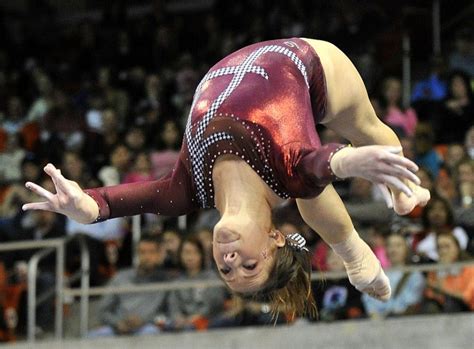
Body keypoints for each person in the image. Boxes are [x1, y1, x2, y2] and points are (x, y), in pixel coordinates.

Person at [22, 38, 430, 317]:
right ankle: (363, 243)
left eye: (226, 271)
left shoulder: (186, 190)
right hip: (311, 65)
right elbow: (315, 162)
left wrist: (83, 207)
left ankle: (357, 253)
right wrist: (348, 162)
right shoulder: (291, 170)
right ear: (275, 239)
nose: (231, 261)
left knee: (309, 188)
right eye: (249, 266)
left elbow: (114, 201)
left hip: (237, 60)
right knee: (367, 135)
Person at [87, 235, 171, 338]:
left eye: (151, 252)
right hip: (118, 327)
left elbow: (170, 315)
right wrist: (118, 323)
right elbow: (104, 311)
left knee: (150, 332)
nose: (146, 257)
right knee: (94, 336)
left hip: (149, 327)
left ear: (160, 254)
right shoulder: (121, 278)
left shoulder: (167, 281)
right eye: (142, 252)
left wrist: (145, 321)